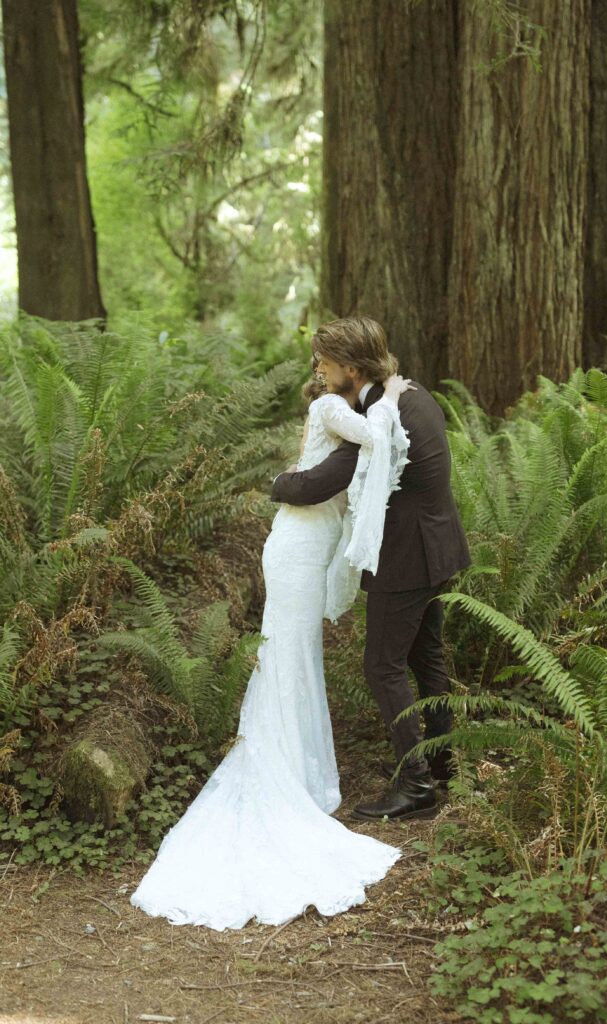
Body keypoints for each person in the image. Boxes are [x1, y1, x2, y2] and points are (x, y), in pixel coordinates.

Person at [129, 358, 413, 931]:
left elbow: (335, 465)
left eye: (323, 361)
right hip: (297, 549)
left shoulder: (335, 415)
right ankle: (287, 771)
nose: (318, 370)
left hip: (306, 545)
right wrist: (390, 399)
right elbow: (371, 437)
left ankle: (301, 771)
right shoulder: (330, 407)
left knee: (297, 656)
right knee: (287, 654)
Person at [271, 316, 471, 822]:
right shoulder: (410, 395)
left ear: (351, 368)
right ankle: (443, 761)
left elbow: (318, 483)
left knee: (382, 667)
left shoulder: (381, 420)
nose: (318, 369)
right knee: (425, 657)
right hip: (439, 547)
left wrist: (279, 482)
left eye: (325, 362)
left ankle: (415, 785)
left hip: (406, 558)